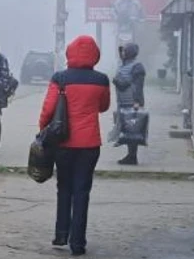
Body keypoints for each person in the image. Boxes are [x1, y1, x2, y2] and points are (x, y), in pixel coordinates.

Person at [38, 35, 111, 256]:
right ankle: (78, 243)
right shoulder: (101, 80)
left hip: (63, 143)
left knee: (64, 188)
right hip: (89, 144)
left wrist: (43, 131)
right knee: (82, 191)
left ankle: (61, 234)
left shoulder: (60, 78)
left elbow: (48, 110)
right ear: (95, 55)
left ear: (70, 52)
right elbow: (104, 107)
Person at [113, 42, 146, 165]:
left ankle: (132, 156)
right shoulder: (123, 65)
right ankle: (130, 155)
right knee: (126, 130)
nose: (122, 53)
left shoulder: (137, 67)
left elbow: (138, 86)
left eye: (124, 51)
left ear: (129, 52)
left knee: (133, 130)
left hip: (131, 102)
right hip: (122, 102)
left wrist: (137, 102)